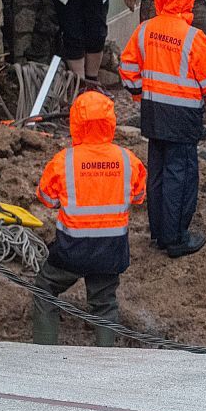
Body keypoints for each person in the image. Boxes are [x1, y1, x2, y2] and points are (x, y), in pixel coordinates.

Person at [31, 90, 147, 347]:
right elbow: (139, 196)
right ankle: (105, 360)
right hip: (111, 248)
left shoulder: (64, 161)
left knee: (44, 289)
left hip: (72, 248)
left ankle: (42, 356)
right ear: (110, 122)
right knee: (104, 304)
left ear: (75, 122)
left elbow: (46, 199)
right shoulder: (127, 159)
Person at [118, 0, 206, 257]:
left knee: (158, 171)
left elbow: (127, 68)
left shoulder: (145, 29)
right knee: (181, 174)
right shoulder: (193, 37)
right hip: (183, 115)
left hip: (152, 111)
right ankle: (175, 239)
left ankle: (159, 233)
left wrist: (140, 93)